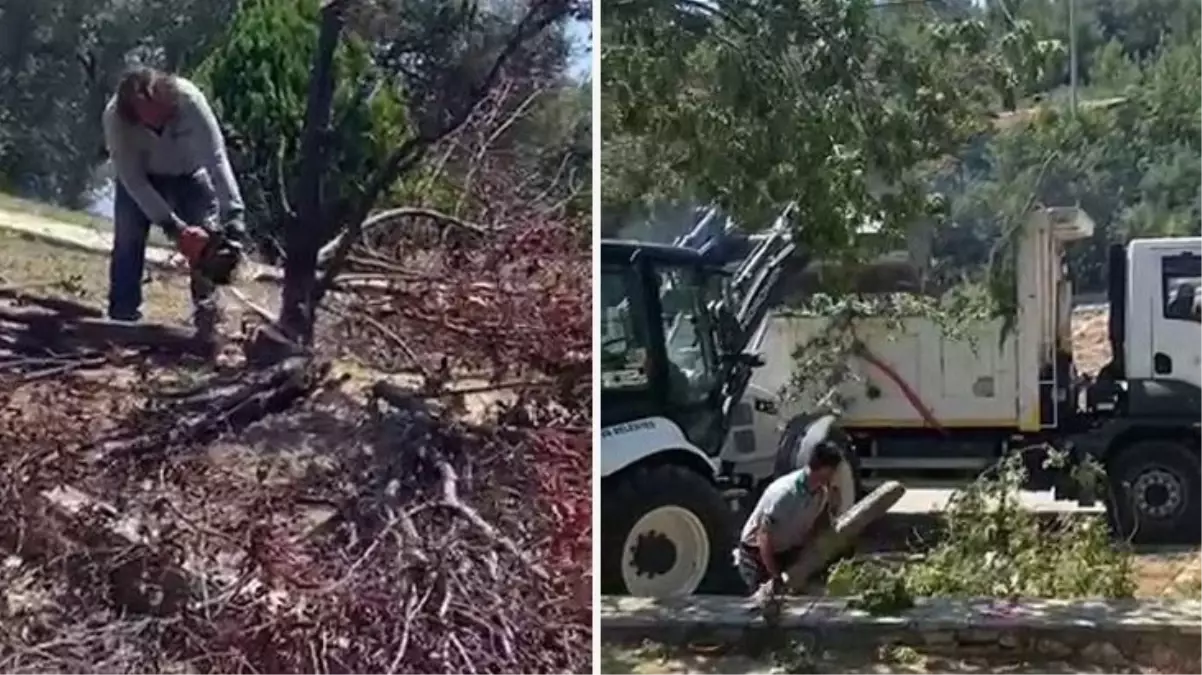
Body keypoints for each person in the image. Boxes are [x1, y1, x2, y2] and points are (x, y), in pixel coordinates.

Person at [102, 65, 247, 352]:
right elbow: (133, 180)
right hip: (142, 180)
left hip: (191, 175)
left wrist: (234, 216)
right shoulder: (115, 118)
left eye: (158, 110)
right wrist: (174, 228)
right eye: (144, 114)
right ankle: (123, 322)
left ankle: (207, 323)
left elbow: (216, 160)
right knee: (128, 241)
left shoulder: (190, 101)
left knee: (210, 243)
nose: (154, 120)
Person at [735, 440, 844, 595]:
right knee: (760, 605)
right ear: (825, 469)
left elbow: (821, 525)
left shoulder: (821, 493)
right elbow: (763, 536)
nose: (836, 475)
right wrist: (774, 575)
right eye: (834, 470)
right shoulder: (785, 494)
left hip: (786, 551)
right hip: (758, 555)